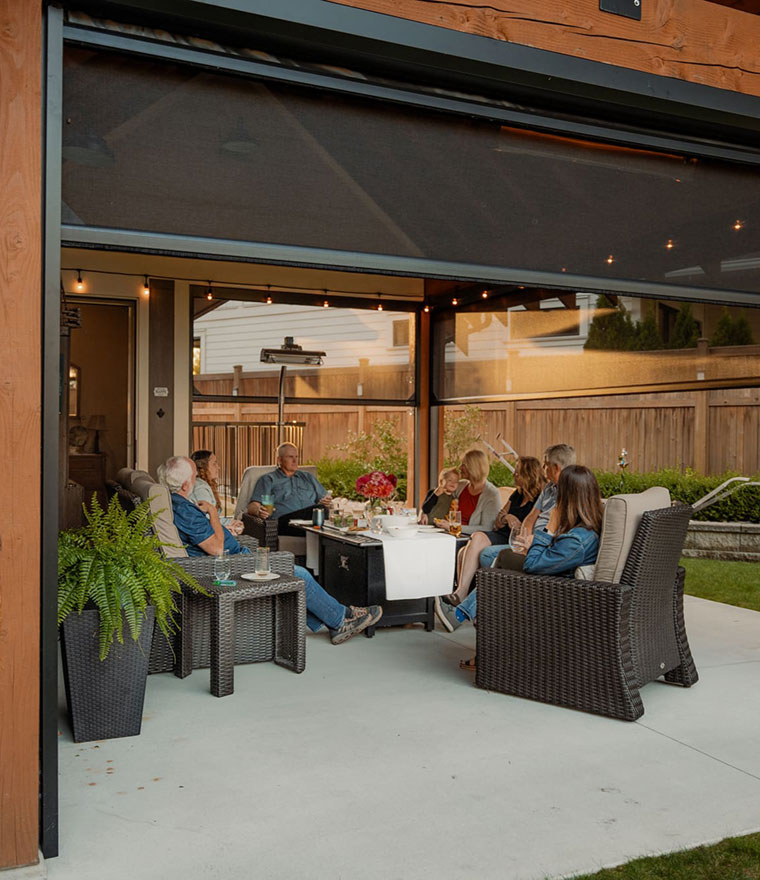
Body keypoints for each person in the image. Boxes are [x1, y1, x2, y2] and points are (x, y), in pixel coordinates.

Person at [160, 456, 381, 644]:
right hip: (230, 564)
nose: (196, 479)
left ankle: (342, 615)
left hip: (234, 557)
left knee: (294, 572)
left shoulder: (178, 504)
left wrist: (220, 524)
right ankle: (341, 620)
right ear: (186, 485)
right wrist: (214, 516)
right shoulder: (185, 510)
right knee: (299, 573)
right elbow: (217, 549)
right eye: (194, 477)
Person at [456, 464, 602, 671]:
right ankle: (471, 620)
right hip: (549, 582)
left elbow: (533, 565)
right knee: (502, 563)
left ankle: (470, 621)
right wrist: (534, 544)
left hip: (551, 595)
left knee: (498, 575)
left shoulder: (577, 540)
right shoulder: (583, 529)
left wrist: (548, 528)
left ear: (567, 498)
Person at [436, 443, 575, 632]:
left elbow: (559, 527)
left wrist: (532, 542)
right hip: (526, 542)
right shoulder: (549, 489)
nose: (544, 469)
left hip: (543, 547)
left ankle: (464, 611)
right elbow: (530, 518)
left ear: (555, 468)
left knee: (494, 557)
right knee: (483, 550)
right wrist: (522, 538)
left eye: (546, 465)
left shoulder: (572, 493)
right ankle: (470, 608)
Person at [247, 442, 331, 536]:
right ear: (280, 460)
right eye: (290, 457)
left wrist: (326, 502)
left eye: (296, 457)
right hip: (285, 522)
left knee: (321, 511)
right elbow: (252, 505)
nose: (295, 461)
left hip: (311, 520)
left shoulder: (307, 477)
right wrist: (258, 511)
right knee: (319, 511)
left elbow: (325, 500)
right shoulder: (269, 479)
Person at [189, 449, 244, 536]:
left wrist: (231, 522)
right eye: (214, 463)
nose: (218, 467)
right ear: (203, 467)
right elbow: (208, 520)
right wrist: (229, 525)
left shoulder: (204, 484)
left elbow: (213, 518)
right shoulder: (200, 488)